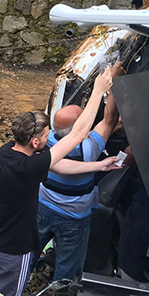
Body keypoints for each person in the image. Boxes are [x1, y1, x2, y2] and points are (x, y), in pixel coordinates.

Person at [0, 69, 121, 296]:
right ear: (34, 142)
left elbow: (59, 166)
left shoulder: (6, 151)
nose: (49, 139)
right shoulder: (32, 167)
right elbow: (80, 133)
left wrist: (98, 166)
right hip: (12, 249)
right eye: (45, 136)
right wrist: (98, 91)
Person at [35, 70, 122, 282]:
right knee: (68, 263)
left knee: (30, 248)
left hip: (42, 207)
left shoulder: (46, 142)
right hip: (73, 218)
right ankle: (59, 293)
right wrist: (115, 80)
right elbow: (109, 119)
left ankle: (17, 280)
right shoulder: (88, 149)